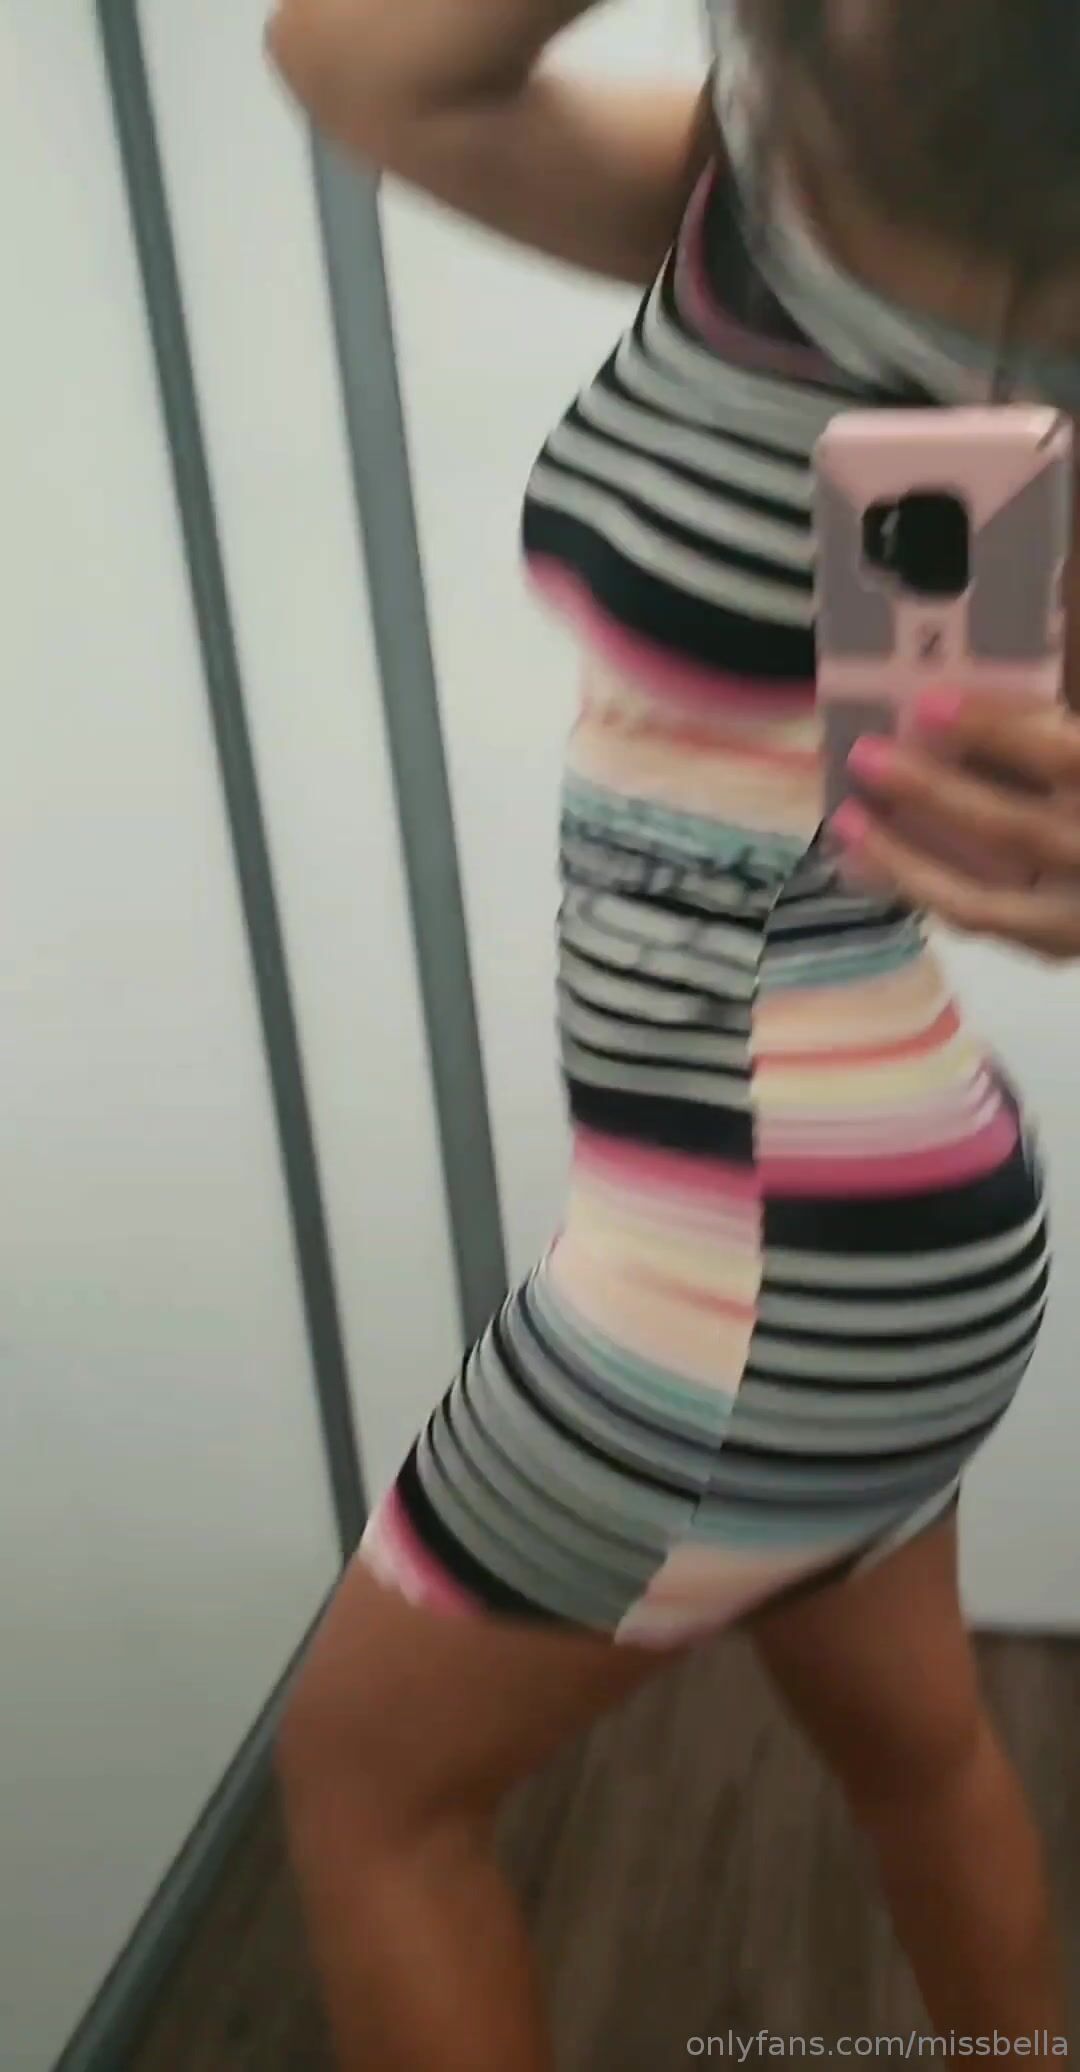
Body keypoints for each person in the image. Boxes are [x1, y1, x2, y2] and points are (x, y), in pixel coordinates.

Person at [267, 2, 1080, 2063]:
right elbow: (355, 60)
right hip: (876, 1208)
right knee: (920, 1763)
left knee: (370, 1797)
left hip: (763, 1266)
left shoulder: (995, 299)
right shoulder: (780, 200)